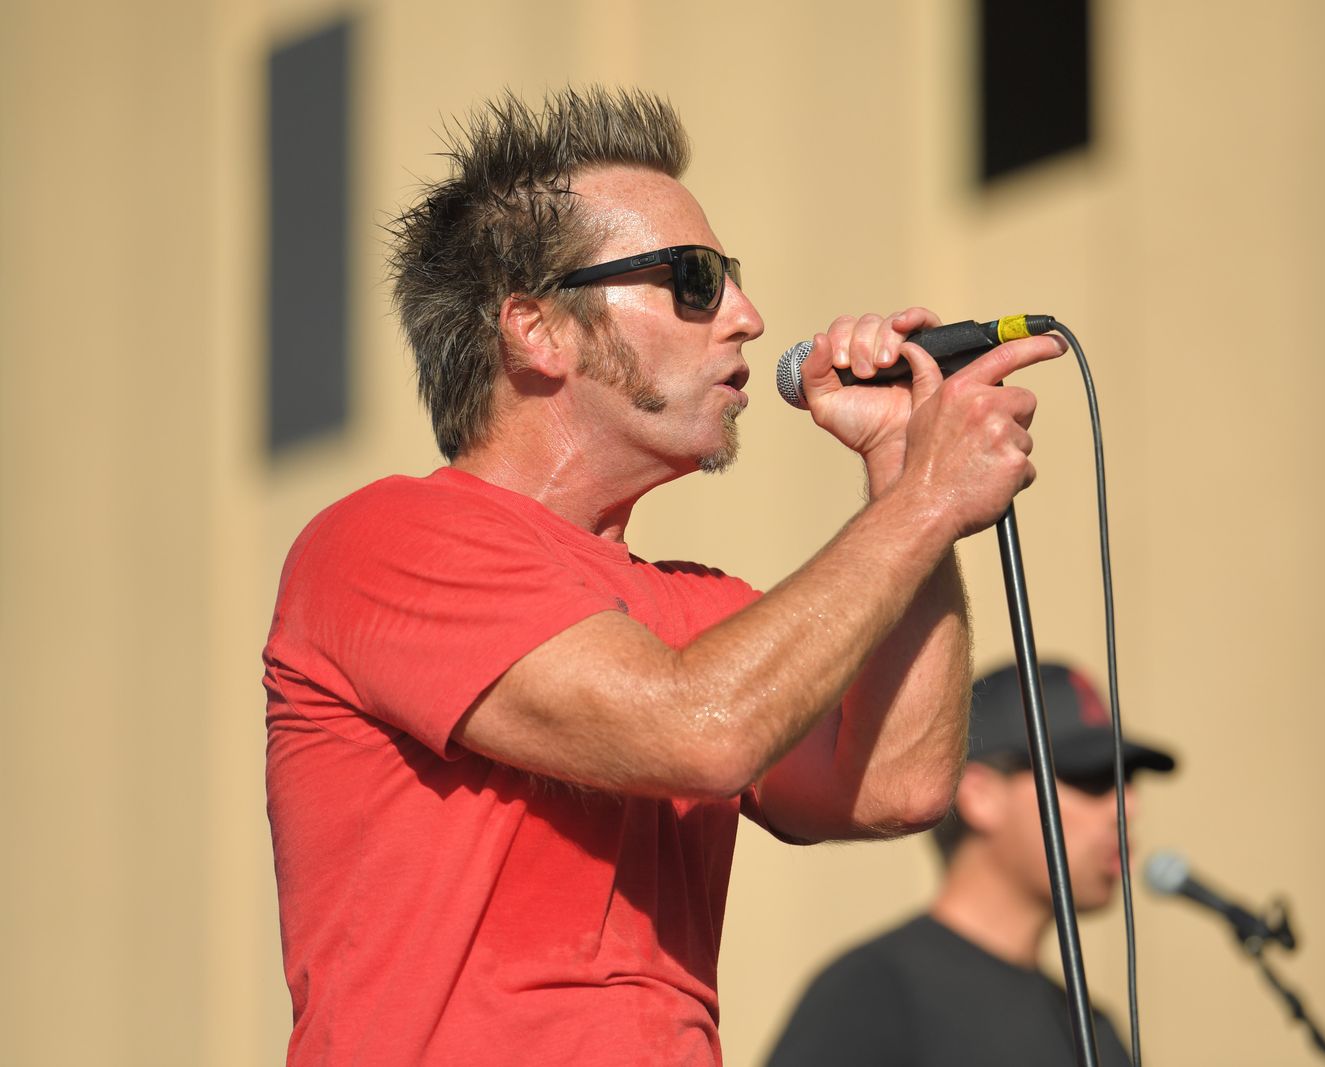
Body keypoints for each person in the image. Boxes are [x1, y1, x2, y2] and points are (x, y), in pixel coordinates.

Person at [261, 87, 1065, 1065]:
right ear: (536, 328)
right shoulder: (386, 541)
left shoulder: (698, 606)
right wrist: (924, 504)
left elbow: (898, 782)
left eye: (732, 280)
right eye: (694, 279)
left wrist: (901, 475)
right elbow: (700, 729)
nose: (747, 318)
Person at [765, 662, 1178, 1067]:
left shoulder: (1093, 1029)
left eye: (1128, 781)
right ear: (980, 796)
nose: (1127, 806)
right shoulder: (874, 994)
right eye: (1092, 779)